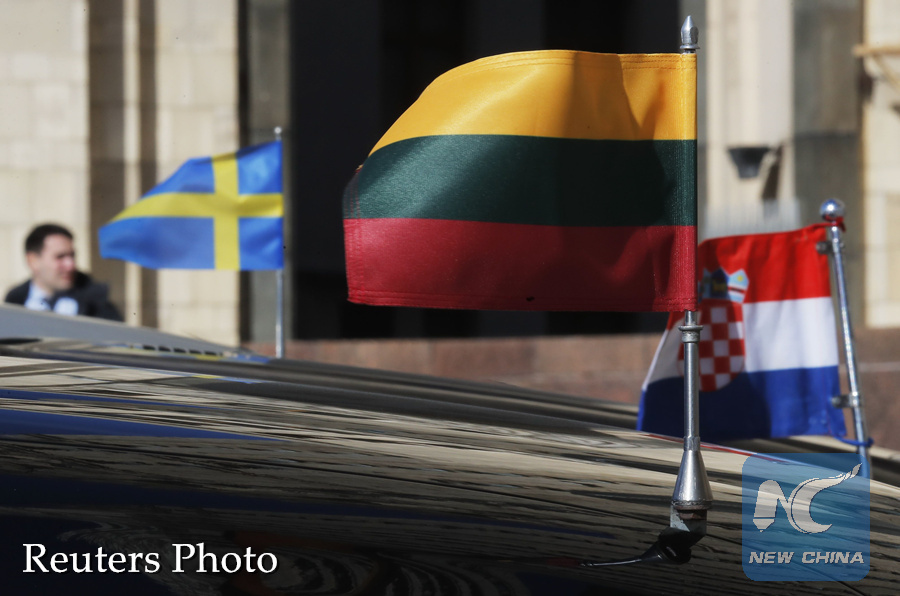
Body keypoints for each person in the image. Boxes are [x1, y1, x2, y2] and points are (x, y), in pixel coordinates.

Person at [4, 223, 122, 321]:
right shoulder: (14, 302)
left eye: (72, 256)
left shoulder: (95, 302)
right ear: (33, 261)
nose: (70, 265)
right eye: (60, 257)